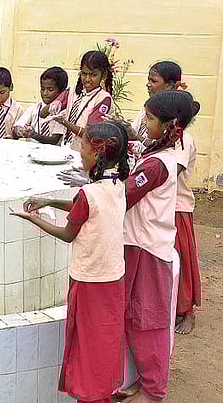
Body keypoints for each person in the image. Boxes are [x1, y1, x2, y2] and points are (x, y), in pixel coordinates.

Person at [12, 121, 130, 403]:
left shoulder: (89, 193)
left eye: (82, 149)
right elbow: (84, 210)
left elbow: (68, 233)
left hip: (89, 281)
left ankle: (90, 395)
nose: (80, 156)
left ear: (97, 153)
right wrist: (50, 201)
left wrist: (33, 219)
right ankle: (102, 390)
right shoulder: (116, 184)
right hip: (113, 277)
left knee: (86, 342)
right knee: (105, 338)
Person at [122, 90, 200, 403]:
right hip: (141, 243)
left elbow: (125, 195)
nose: (145, 123)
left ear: (170, 125)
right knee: (135, 316)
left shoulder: (157, 165)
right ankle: (143, 382)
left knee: (148, 322)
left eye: (151, 119)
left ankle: (153, 391)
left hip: (147, 249)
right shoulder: (158, 153)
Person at [41, 50, 115, 151]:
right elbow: (42, 114)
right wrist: (53, 106)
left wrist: (64, 122)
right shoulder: (73, 91)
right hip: (67, 148)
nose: (87, 79)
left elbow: (90, 133)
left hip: (87, 153)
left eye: (93, 75)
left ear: (103, 75)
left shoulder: (103, 99)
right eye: (84, 74)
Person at [173, 121, 201, 334]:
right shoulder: (167, 138)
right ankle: (175, 307)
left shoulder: (184, 140)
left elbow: (171, 172)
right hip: (163, 206)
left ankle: (187, 311)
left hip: (178, 206)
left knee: (182, 259)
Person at [128, 61, 187, 154]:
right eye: (148, 80)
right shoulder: (148, 106)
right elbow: (134, 130)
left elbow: (165, 147)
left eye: (153, 81)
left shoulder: (175, 115)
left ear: (169, 85)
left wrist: (137, 137)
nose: (148, 84)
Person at [14, 66, 68, 145]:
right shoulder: (34, 108)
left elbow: (54, 140)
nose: (45, 93)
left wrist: (34, 135)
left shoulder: (63, 112)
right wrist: (20, 130)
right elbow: (17, 127)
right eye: (42, 89)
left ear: (62, 92)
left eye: (50, 90)